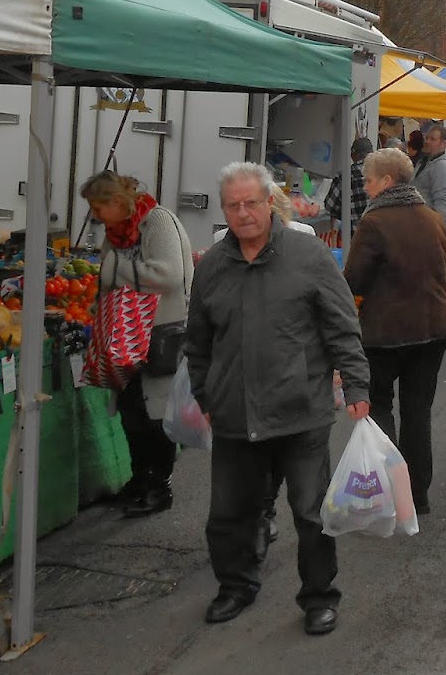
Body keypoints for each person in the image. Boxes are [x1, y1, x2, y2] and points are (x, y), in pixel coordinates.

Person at [185, 161, 371, 633]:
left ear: (271, 203)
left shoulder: (307, 256)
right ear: (224, 210)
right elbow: (198, 341)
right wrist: (207, 395)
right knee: (230, 514)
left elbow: (342, 326)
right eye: (233, 206)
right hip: (233, 414)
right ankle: (236, 587)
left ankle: (318, 597)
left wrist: (355, 384)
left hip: (300, 410)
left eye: (252, 203)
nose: (243, 213)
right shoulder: (211, 269)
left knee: (311, 513)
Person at [342, 148, 446, 517]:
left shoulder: (374, 223)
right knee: (417, 412)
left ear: (387, 182)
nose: (365, 186)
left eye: (369, 179)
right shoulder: (432, 218)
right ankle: (418, 495)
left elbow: (353, 280)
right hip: (434, 328)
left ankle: (391, 490)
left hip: (386, 332)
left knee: (379, 407)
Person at [81, 171, 195, 517]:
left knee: (154, 414)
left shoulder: (157, 222)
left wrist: (116, 267)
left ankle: (160, 485)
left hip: (161, 332)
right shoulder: (116, 232)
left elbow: (169, 275)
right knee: (130, 410)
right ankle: (139, 478)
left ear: (117, 202)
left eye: (98, 207)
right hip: (125, 335)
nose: (95, 216)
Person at [412, 122, 446, 234]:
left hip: (436, 227)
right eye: (427, 138)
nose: (427, 142)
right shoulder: (424, 162)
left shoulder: (443, 165)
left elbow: (441, 200)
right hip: (423, 223)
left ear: (443, 144)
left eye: (433, 139)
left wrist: (435, 227)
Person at [323, 137, 372, 234]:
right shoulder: (381, 173)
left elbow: (330, 206)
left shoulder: (345, 176)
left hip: (355, 237)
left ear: (353, 154)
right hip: (378, 236)